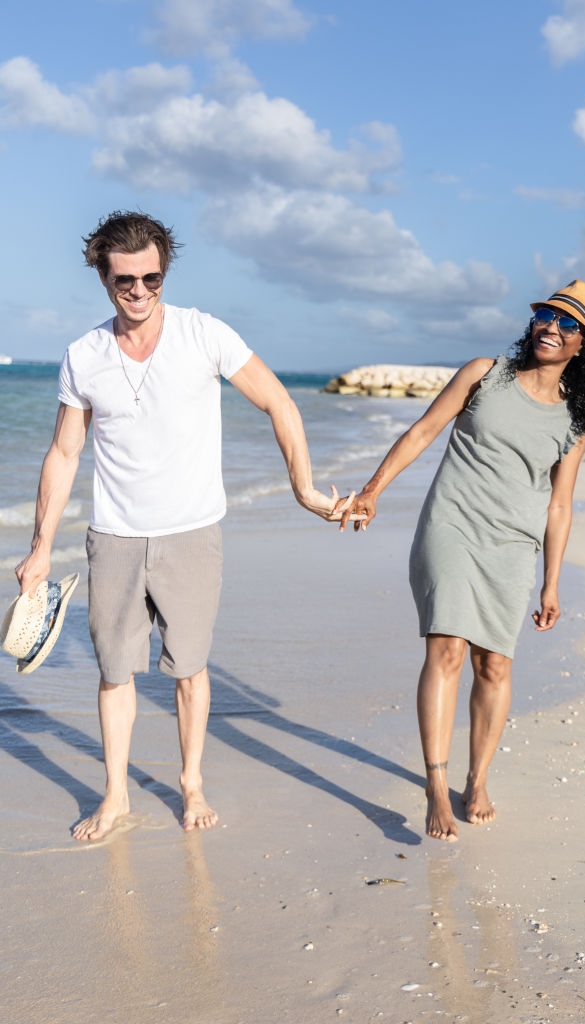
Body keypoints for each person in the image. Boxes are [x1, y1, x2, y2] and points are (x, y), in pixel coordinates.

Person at [16, 210, 355, 842]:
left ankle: (191, 782)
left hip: (192, 534)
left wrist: (304, 489)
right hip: (114, 536)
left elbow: (279, 401)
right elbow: (64, 453)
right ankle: (115, 794)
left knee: (189, 669)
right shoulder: (83, 356)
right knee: (115, 673)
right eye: (125, 281)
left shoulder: (205, 335)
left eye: (151, 278)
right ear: (103, 276)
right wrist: (40, 550)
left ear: (164, 272)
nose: (139, 291)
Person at [338, 281, 585, 842]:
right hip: (451, 526)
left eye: (568, 324)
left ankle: (477, 781)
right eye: (547, 314)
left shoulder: (574, 422)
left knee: (493, 665)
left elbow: (561, 504)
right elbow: (423, 430)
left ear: (583, 345)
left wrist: (552, 583)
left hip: (514, 544)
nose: (552, 327)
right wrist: (373, 489)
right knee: (446, 647)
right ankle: (434, 785)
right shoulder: (483, 373)